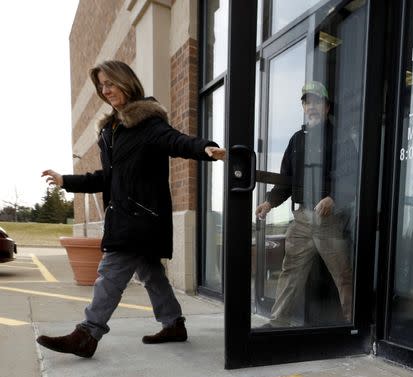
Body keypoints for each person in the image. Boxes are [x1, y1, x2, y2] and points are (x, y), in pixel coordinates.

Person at [37, 60, 225, 358]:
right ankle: (174, 324)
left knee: (110, 273)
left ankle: (88, 333)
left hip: (141, 218)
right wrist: (65, 181)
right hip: (123, 216)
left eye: (109, 83)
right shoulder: (112, 131)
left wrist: (206, 149)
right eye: (101, 86)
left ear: (126, 81)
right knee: (151, 273)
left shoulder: (148, 123)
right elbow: (106, 178)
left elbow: (176, 141)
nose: (105, 90)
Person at [255, 81, 356, 327]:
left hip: (328, 221)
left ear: (327, 107)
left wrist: (334, 197)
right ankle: (279, 321)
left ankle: (353, 325)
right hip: (301, 219)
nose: (312, 107)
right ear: (303, 107)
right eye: (307, 102)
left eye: (317, 102)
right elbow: (286, 180)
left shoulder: (340, 138)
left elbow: (351, 176)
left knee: (343, 275)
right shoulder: (296, 140)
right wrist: (269, 202)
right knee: (290, 271)